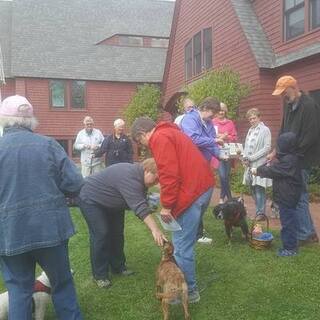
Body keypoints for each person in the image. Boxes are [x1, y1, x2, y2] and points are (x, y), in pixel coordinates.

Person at [0, 95, 83, 319]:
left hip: (10, 233)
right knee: (62, 284)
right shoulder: (48, 145)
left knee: (18, 290)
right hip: (50, 230)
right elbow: (75, 183)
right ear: (30, 120)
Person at [131, 117, 214, 303]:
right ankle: (186, 285)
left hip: (192, 191)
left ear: (142, 134)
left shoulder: (159, 138)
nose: (145, 146)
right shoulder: (171, 131)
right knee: (185, 241)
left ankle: (188, 292)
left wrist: (167, 206)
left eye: (141, 142)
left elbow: (169, 175)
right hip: (202, 186)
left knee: (182, 247)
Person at [77, 158, 166, 289]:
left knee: (117, 233)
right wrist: (155, 230)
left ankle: (118, 267)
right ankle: (100, 275)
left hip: (112, 202)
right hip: (91, 199)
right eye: (156, 179)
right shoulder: (130, 177)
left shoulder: (139, 178)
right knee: (101, 234)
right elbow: (139, 207)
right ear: (147, 171)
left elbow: (140, 201)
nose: (156, 183)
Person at [270, 75, 320, 245]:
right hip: (291, 158)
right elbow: (283, 130)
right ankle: (309, 232)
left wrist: (293, 155)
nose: (283, 96)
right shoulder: (288, 104)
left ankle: (305, 234)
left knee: (299, 196)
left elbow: (311, 136)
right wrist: (275, 150)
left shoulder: (309, 106)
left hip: (302, 159)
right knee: (297, 196)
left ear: (293, 87)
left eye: (284, 92)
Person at [251, 132, 302, 257]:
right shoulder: (291, 156)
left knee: (288, 223)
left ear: (286, 146)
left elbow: (274, 170)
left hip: (288, 197)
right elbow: (277, 166)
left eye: (280, 145)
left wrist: (258, 170)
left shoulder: (289, 161)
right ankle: (291, 244)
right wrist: (271, 158)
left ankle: (290, 249)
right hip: (288, 196)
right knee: (289, 221)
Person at [180, 96, 221, 244]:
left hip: (204, 166)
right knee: (196, 200)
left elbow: (212, 144)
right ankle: (194, 233)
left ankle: (195, 229)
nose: (214, 117)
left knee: (203, 199)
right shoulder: (190, 119)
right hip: (190, 167)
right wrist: (214, 141)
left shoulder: (208, 123)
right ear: (204, 109)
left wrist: (222, 155)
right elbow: (193, 139)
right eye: (213, 113)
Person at [242, 108, 272, 221]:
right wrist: (245, 158)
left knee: (259, 189)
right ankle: (259, 209)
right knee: (252, 188)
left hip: (260, 164)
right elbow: (246, 146)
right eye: (250, 119)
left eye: (254, 118)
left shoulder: (265, 130)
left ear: (259, 117)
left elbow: (267, 148)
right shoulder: (250, 130)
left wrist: (252, 158)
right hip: (249, 165)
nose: (252, 120)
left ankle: (261, 213)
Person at [213, 102, 238, 203]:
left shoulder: (230, 123)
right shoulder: (213, 122)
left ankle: (222, 197)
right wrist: (221, 136)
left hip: (228, 151)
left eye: (223, 110)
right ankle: (229, 196)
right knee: (222, 175)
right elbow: (211, 135)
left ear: (225, 111)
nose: (221, 112)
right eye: (219, 110)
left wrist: (227, 136)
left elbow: (234, 136)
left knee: (226, 176)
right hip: (217, 151)